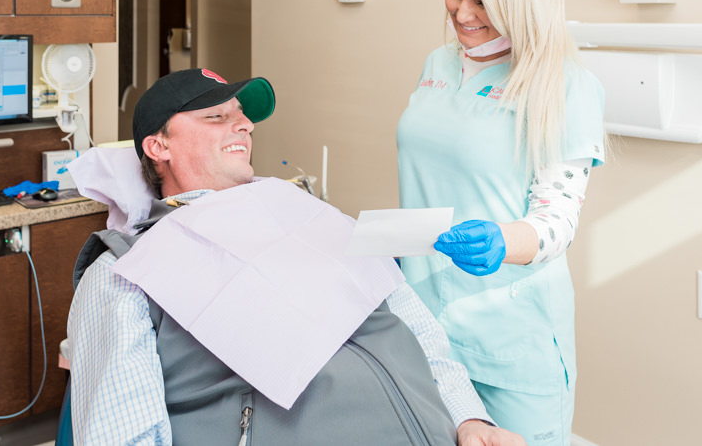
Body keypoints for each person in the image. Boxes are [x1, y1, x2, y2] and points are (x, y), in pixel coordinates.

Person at [67, 67, 526, 446]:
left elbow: (414, 330)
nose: (243, 125)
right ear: (158, 146)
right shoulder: (126, 272)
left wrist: (470, 421)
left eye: (242, 116)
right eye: (215, 117)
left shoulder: (316, 219)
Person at [396, 0, 606, 446]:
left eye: (483, 0)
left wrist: (501, 241)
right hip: (425, 330)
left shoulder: (563, 85)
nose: (462, 14)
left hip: (511, 340)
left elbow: (556, 220)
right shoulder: (437, 64)